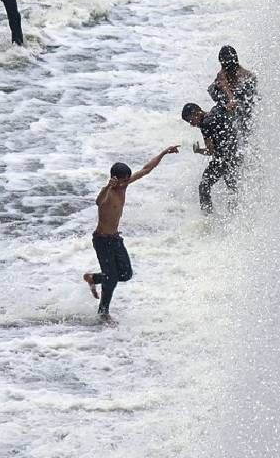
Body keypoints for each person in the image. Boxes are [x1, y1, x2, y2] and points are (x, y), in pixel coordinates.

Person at [82, 146, 179, 321]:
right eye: (124, 180)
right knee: (111, 280)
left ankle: (93, 278)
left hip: (115, 239)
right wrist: (107, 187)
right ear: (114, 179)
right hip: (102, 240)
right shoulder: (109, 193)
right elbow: (98, 201)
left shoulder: (123, 186)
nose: (127, 183)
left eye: (128, 180)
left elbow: (146, 169)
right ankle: (103, 313)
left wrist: (164, 153)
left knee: (125, 274)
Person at [181, 102, 241, 213]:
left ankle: (208, 218)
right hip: (235, 155)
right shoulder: (217, 109)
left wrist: (198, 150)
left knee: (204, 186)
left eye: (190, 120)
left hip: (222, 161)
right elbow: (232, 108)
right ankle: (235, 215)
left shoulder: (205, 125)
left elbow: (210, 151)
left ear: (196, 113)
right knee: (233, 189)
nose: (191, 124)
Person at [207, 45, 258, 137]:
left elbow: (225, 88)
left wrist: (231, 98)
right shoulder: (247, 75)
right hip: (242, 109)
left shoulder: (245, 76)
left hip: (241, 109)